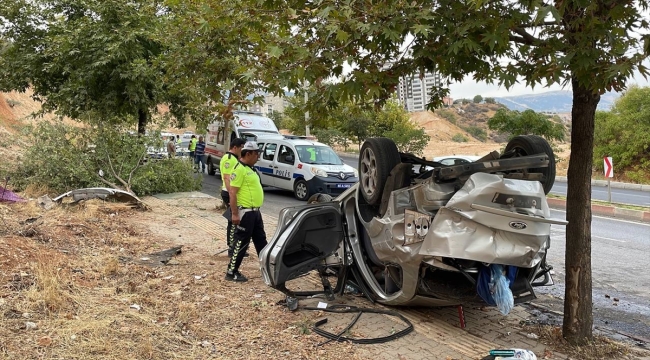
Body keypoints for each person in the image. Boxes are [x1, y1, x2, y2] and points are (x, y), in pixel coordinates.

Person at [225, 141, 267, 282]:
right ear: (248, 153)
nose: (258, 157)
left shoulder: (250, 169)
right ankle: (232, 272)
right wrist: (235, 213)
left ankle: (267, 268)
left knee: (261, 241)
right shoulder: (239, 169)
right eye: (256, 154)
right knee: (241, 242)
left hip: (255, 212)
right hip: (246, 213)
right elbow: (232, 192)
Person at [220, 138, 246, 257]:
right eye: (241, 148)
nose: (242, 150)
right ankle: (232, 248)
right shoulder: (229, 159)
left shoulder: (235, 158)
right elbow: (226, 177)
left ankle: (235, 246)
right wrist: (232, 194)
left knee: (235, 221)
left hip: (231, 192)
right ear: (235, 147)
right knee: (233, 220)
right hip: (228, 192)